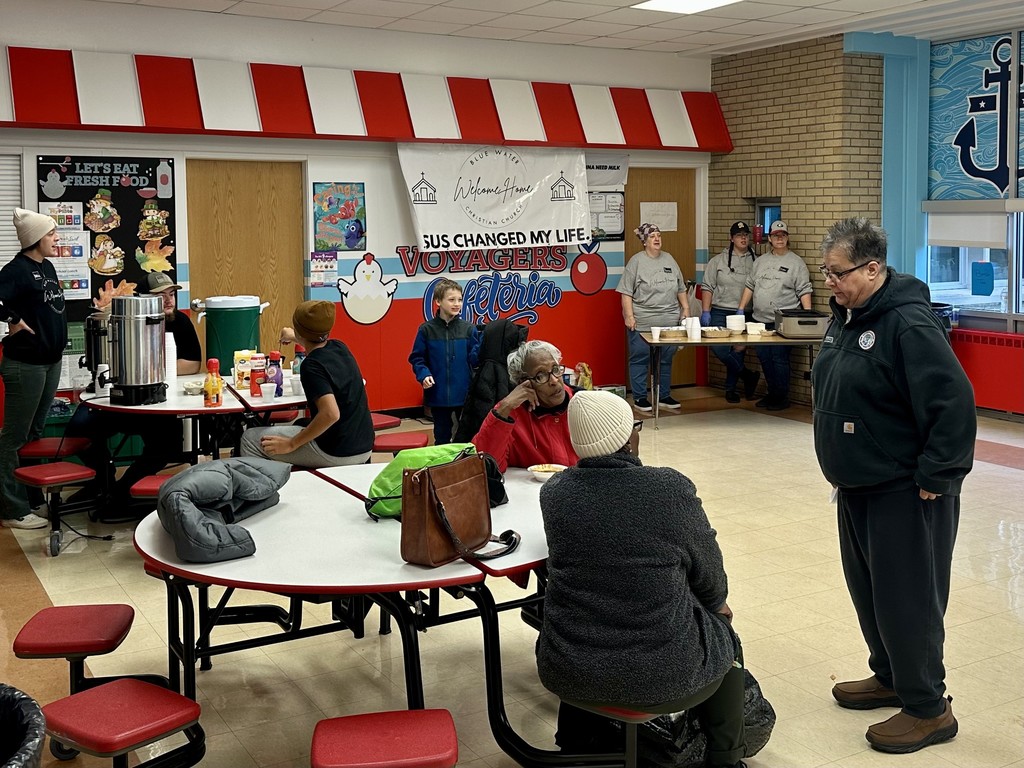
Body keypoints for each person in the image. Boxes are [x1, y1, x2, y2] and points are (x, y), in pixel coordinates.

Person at [812, 217, 975, 754]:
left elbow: (952, 403)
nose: (828, 281)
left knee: (908, 600)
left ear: (872, 268)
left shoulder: (908, 322)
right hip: (858, 484)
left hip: (905, 490)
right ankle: (890, 676)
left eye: (837, 273)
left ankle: (929, 708)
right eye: (826, 272)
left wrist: (938, 475)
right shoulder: (847, 316)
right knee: (871, 595)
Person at [536, 390, 746, 768]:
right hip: (664, 677)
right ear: (627, 437)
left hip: (568, 669)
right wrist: (718, 609)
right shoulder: (668, 488)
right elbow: (709, 576)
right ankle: (725, 759)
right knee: (725, 636)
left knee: (591, 614)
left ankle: (573, 743)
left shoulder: (555, 493)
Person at [64, 272, 204, 514]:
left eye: (171, 294)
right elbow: (109, 365)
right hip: (119, 401)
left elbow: (192, 363)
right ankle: (102, 480)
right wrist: (151, 368)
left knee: (168, 445)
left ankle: (122, 490)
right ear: (143, 299)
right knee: (78, 428)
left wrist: (146, 369)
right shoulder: (121, 322)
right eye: (161, 296)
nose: (169, 301)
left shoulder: (180, 322)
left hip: (158, 403)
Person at [241, 300, 373, 467]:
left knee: (250, 439)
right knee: (301, 424)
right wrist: (294, 336)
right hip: (364, 445)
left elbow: (331, 414)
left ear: (299, 330)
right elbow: (314, 340)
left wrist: (291, 444)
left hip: (338, 451)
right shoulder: (340, 347)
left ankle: (261, 490)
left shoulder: (311, 365)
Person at [0, 209, 66, 530]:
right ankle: (12, 509)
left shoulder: (48, 266)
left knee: (34, 436)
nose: (57, 238)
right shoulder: (16, 270)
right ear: (37, 238)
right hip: (25, 365)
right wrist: (12, 319)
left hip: (50, 362)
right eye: (52, 234)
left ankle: (33, 499)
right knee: (14, 437)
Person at [737, 220, 812, 411]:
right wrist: (740, 308)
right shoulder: (760, 261)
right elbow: (750, 285)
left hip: (783, 321)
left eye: (783, 235)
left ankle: (781, 396)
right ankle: (772, 392)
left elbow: (804, 290)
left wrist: (808, 316)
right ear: (769, 238)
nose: (780, 239)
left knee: (779, 358)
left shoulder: (796, 263)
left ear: (787, 238)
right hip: (759, 321)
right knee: (764, 357)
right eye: (776, 236)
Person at [471, 340, 577, 472]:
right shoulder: (510, 414)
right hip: (532, 491)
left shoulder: (584, 404)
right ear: (524, 382)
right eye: (541, 376)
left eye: (555, 369)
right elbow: (485, 468)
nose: (554, 380)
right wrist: (504, 408)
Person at [617, 223, 689, 412]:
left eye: (658, 235)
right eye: (652, 236)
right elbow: (626, 292)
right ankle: (640, 398)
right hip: (643, 321)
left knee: (665, 359)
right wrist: (629, 316)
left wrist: (686, 308)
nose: (657, 239)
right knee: (640, 359)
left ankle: (663, 395)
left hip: (668, 321)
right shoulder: (636, 262)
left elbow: (681, 288)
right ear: (644, 241)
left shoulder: (669, 259)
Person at [408, 278, 481, 445]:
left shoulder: (469, 329)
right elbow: (417, 358)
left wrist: (482, 345)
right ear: (438, 301)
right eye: (451, 299)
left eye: (460, 300)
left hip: (464, 395)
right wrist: (423, 374)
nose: (457, 304)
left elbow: (475, 360)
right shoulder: (426, 330)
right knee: (441, 438)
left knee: (466, 437)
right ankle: (442, 469)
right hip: (438, 395)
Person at [701, 221, 760, 403]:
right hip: (720, 310)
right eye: (738, 235)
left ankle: (731, 389)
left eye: (745, 235)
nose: (743, 238)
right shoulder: (718, 261)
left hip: (745, 312)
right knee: (718, 347)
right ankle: (747, 375)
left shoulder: (757, 261)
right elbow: (707, 286)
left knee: (738, 349)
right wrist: (706, 311)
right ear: (731, 238)